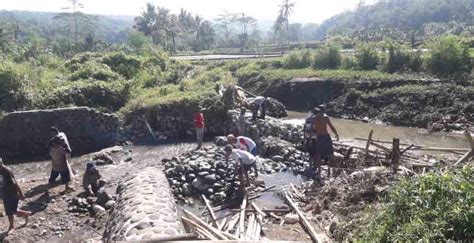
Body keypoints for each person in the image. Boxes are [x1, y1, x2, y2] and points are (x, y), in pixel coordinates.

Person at [0, 159, 31, 234]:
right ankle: (12, 226)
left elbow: (15, 183)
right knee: (8, 211)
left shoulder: (7, 171)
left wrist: (21, 194)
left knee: (13, 211)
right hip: (5, 193)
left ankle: (26, 214)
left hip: (12, 193)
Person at [313, 105, 339, 178]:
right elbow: (331, 126)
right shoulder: (325, 117)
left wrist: (311, 137)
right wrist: (336, 134)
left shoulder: (314, 118)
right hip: (325, 137)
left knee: (318, 154)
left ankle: (319, 171)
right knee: (330, 153)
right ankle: (330, 170)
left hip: (319, 137)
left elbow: (313, 128)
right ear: (324, 110)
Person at [48, 127, 74, 191]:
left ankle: (48, 188)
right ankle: (67, 187)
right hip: (62, 165)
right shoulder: (59, 149)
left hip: (55, 165)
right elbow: (68, 151)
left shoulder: (52, 147)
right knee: (66, 176)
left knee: (53, 177)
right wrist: (65, 147)